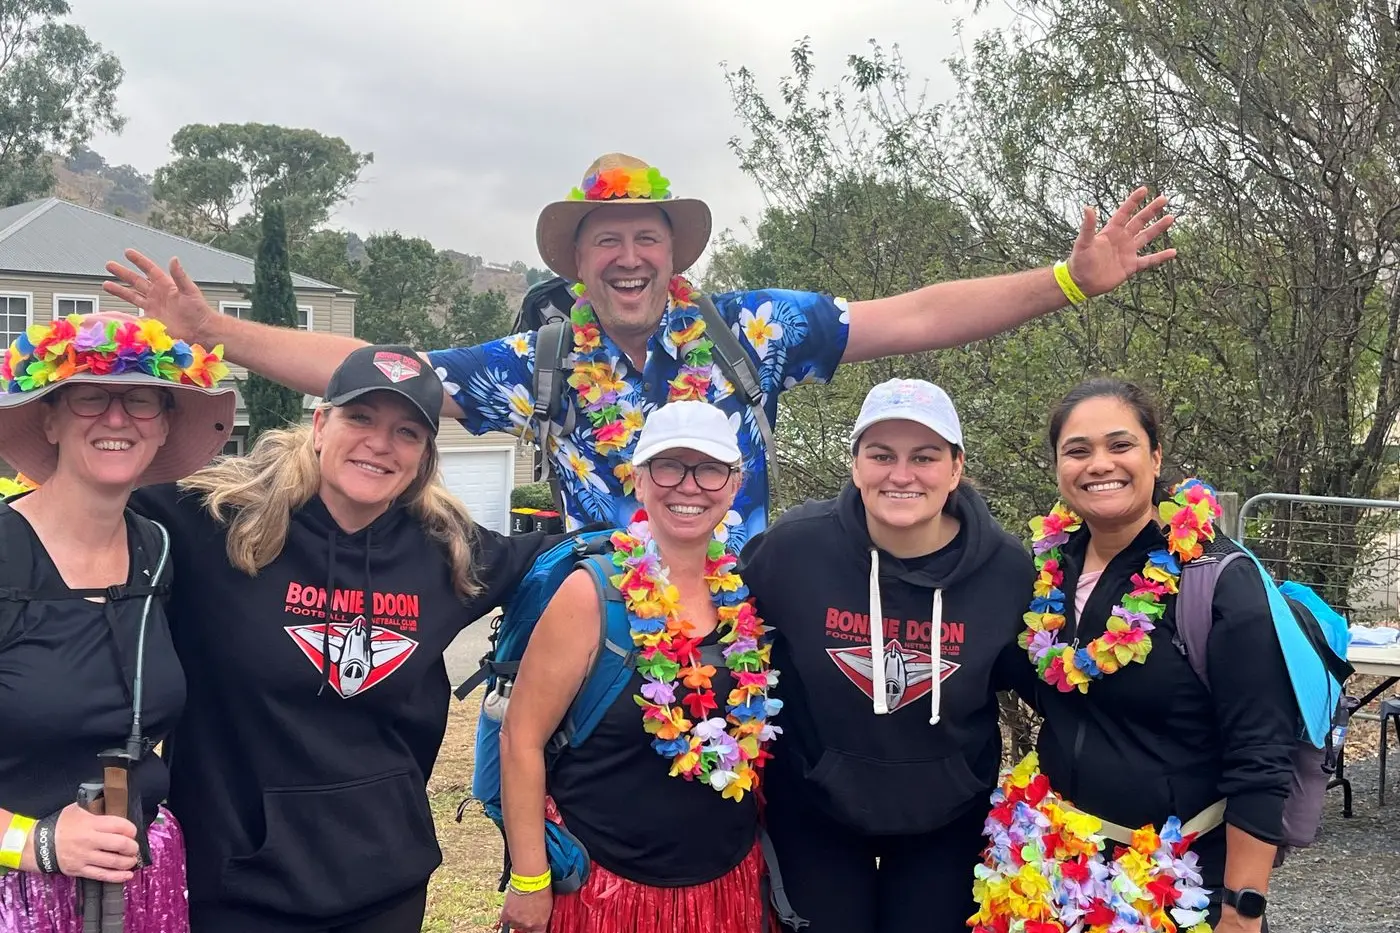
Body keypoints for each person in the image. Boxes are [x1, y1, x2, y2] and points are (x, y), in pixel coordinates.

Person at [103, 153, 1178, 550]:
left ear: (673, 256)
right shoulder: (537, 359)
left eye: (643, 240)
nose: (624, 255)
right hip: (599, 618)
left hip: (742, 611)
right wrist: (217, 333)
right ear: (577, 261)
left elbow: (916, 314)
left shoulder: (753, 328)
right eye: (603, 241)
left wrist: (1068, 280)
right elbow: (382, 373)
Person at [124, 345, 561, 933]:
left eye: (406, 431)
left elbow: (580, 555)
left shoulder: (449, 554)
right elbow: (77, 503)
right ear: (320, 424)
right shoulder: (211, 524)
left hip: (385, 885)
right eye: (360, 418)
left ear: (425, 456)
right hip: (234, 885)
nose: (380, 443)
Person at [969, 378, 1295, 933]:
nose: (1100, 464)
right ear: (1057, 466)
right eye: (1078, 450)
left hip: (1177, 883)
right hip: (1055, 869)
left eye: (1120, 446)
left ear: (1155, 456)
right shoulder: (1049, 570)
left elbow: (1261, 754)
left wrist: (1242, 911)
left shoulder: (1218, 579)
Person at [735, 379, 1035, 933]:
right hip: (815, 807)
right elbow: (718, 627)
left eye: (924, 457)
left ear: (955, 468)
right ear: (855, 466)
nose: (901, 475)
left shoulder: (1010, 571)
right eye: (881, 455)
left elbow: (1045, 682)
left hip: (947, 814)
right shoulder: (795, 547)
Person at [496, 401, 779, 933]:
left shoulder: (747, 596)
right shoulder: (591, 592)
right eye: (669, 467)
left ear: (735, 484)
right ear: (640, 480)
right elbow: (521, 738)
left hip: (728, 889)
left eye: (710, 469)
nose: (689, 486)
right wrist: (530, 879)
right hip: (607, 894)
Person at [0, 312, 235, 932]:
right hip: (15, 891)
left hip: (142, 878)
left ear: (163, 428)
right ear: (47, 419)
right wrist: (32, 842)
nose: (115, 418)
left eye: (139, 399)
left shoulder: (157, 550)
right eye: (88, 398)